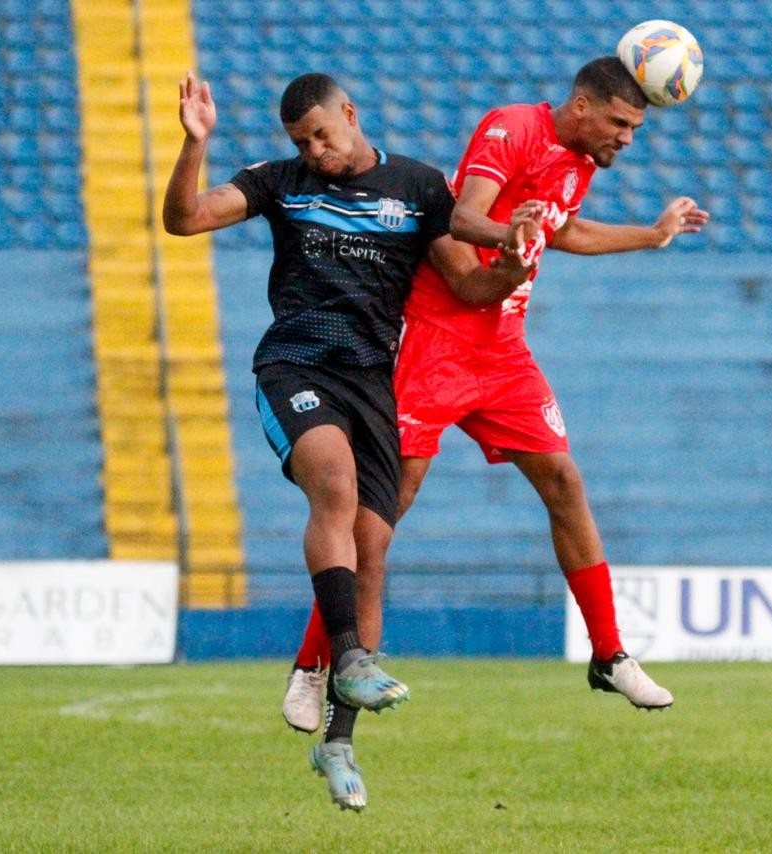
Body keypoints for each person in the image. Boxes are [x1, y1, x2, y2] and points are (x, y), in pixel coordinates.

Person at [282, 57, 711, 730]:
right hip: (435, 341)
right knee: (380, 515)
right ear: (584, 106)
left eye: (634, 127)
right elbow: (465, 217)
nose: (628, 138)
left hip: (503, 349)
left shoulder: (581, 164)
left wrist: (650, 237)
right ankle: (315, 665)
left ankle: (609, 654)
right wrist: (514, 237)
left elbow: (563, 230)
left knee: (564, 482)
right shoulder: (512, 130)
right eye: (622, 123)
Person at [163, 71, 536, 811]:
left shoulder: (419, 187)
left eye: (322, 135)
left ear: (350, 115)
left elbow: (469, 275)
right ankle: (349, 660)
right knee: (331, 482)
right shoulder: (279, 183)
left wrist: (514, 254)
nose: (315, 151)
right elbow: (185, 219)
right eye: (302, 141)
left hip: (373, 383)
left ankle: (337, 744)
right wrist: (194, 144)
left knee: (371, 549)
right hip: (294, 364)